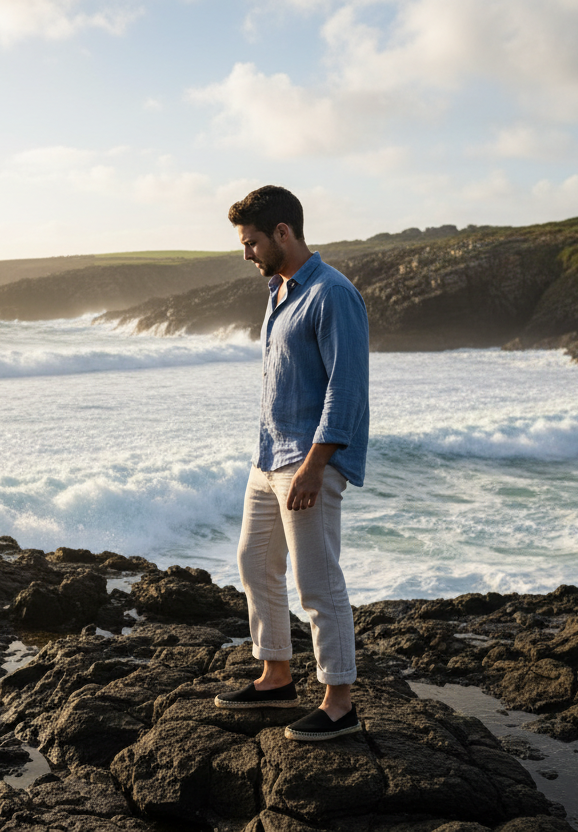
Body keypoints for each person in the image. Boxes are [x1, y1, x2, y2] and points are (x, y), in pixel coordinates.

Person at [213, 185, 370, 742]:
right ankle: (276, 674)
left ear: (283, 233)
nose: (247, 253)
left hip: (308, 462)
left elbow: (345, 388)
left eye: (252, 242)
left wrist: (313, 466)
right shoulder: (281, 292)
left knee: (317, 582)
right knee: (255, 562)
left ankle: (339, 703)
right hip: (268, 457)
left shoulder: (332, 294)